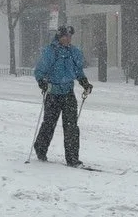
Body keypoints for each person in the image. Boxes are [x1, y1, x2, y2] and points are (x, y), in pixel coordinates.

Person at [33, 25, 93, 166]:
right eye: (66, 36)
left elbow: (78, 71)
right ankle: (40, 148)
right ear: (59, 37)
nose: (68, 39)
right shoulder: (50, 52)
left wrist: (85, 83)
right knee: (49, 124)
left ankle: (72, 158)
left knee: (71, 126)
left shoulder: (74, 52)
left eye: (70, 36)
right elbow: (40, 70)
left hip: (68, 93)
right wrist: (42, 82)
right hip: (53, 94)